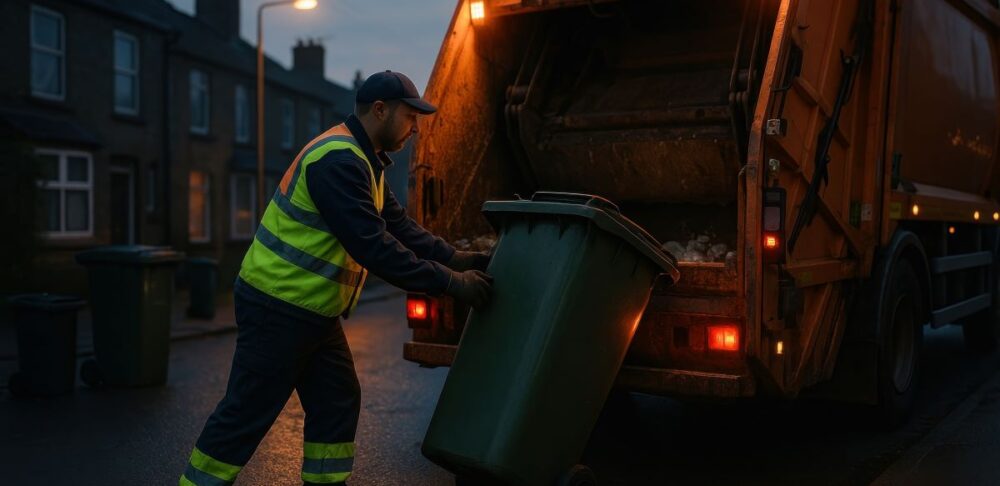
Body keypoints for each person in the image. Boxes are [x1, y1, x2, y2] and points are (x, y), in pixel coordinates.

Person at [179, 71, 493, 486]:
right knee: (246, 413)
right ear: (380, 110)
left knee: (336, 401)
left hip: (310, 311)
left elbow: (399, 227)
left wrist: (459, 256)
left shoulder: (365, 162)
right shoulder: (339, 161)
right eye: (410, 117)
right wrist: (453, 283)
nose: (415, 129)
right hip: (279, 304)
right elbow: (374, 247)